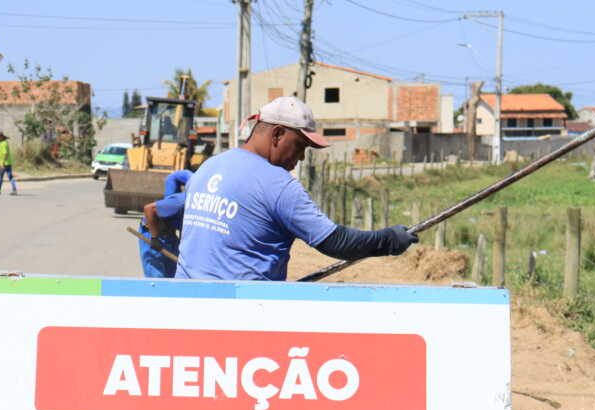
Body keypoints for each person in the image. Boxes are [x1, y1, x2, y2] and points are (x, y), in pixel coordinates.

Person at [175, 97, 418, 281]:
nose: (301, 157)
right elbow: (335, 242)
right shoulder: (277, 183)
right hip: (242, 313)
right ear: (278, 134)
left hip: (186, 305)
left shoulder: (210, 166)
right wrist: (387, 240)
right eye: (300, 145)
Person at [137, 169, 192, 278]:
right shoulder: (180, 202)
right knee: (157, 278)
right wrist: (154, 238)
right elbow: (149, 209)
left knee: (173, 277)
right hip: (154, 233)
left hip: (170, 236)